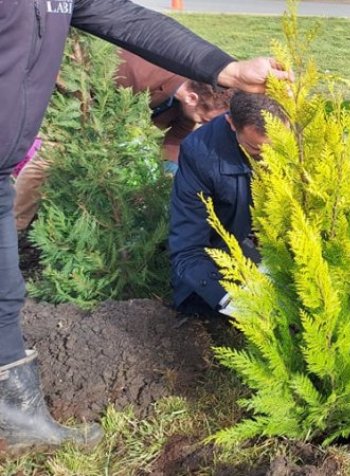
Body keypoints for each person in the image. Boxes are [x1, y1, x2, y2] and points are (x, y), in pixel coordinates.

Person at [0, 0, 290, 454]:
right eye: (257, 152)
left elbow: (125, 17)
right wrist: (234, 300)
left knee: (6, 292)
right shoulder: (142, 91)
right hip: (32, 151)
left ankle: (15, 416)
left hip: (2, 165)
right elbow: (189, 247)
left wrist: (227, 68)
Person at [12, 50, 235, 234]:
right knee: (51, 159)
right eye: (205, 119)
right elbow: (85, 96)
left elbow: (176, 137)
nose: (205, 124)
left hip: (120, 128)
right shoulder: (133, 72)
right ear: (192, 98)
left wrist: (171, 171)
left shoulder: (190, 106)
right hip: (83, 105)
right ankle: (15, 226)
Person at [169, 92, 285, 316]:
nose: (272, 157)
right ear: (231, 123)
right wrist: (229, 298)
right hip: (229, 250)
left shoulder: (308, 132)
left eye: (280, 146)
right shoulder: (201, 155)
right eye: (258, 150)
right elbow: (187, 249)